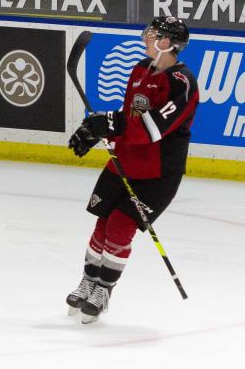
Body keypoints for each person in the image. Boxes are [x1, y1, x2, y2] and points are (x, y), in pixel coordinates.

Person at [66, 16, 198, 324]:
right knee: (102, 223)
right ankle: (89, 280)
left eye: (154, 34)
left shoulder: (182, 84)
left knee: (120, 227)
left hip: (158, 172)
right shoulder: (140, 69)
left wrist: (110, 124)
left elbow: (152, 128)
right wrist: (96, 130)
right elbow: (129, 118)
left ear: (168, 43)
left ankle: (104, 289)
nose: (146, 38)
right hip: (125, 160)